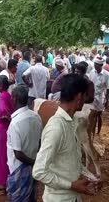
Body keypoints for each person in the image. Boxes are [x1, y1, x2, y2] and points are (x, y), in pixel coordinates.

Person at [32, 74, 102, 202]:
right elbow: (39, 171)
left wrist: (92, 178)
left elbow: (72, 161)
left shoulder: (72, 121)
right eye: (86, 95)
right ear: (80, 97)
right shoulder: (56, 128)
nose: (87, 99)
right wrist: (72, 185)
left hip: (73, 197)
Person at [6, 85, 42, 201]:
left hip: (19, 169)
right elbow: (40, 142)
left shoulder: (15, 123)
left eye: (12, 97)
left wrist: (32, 162)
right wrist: (36, 162)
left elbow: (18, 154)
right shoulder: (36, 117)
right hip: (33, 166)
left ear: (15, 99)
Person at [89, 57, 109, 135]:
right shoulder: (92, 72)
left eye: (97, 65)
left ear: (101, 65)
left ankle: (98, 131)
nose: (95, 66)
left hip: (101, 97)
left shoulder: (106, 75)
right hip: (92, 96)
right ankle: (92, 130)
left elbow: (108, 88)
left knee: (99, 115)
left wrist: (107, 100)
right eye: (94, 64)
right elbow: (90, 84)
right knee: (92, 115)